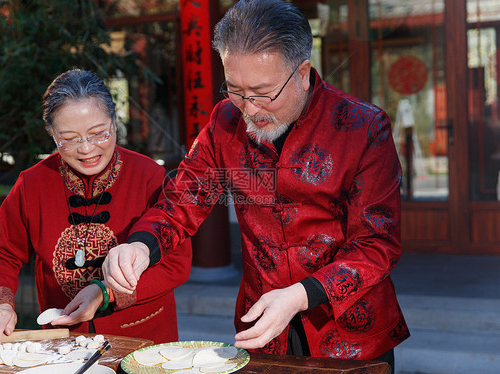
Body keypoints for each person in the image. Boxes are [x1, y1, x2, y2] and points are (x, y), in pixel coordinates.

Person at [103, 0, 409, 371]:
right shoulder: (225, 121)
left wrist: (301, 296)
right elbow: (184, 197)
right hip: (263, 328)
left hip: (350, 332)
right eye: (234, 89)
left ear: (302, 73)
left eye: (263, 93)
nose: (249, 109)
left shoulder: (363, 128)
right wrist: (141, 244)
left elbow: (377, 244)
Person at [0, 69, 192, 348]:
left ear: (115, 122)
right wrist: (1, 307)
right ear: (52, 134)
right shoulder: (33, 184)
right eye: (70, 138)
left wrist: (106, 292)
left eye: (99, 133)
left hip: (143, 339)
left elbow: (177, 263)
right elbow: (0, 253)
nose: (87, 149)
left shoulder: (148, 176)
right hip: (66, 343)